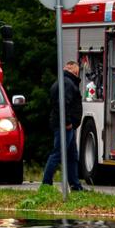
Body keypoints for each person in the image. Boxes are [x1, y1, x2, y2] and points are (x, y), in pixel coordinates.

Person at [40, 60, 84, 191]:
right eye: (76, 72)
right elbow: (63, 104)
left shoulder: (62, 81)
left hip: (65, 125)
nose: (78, 74)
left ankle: (75, 185)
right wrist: (68, 122)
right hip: (65, 126)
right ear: (72, 71)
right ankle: (46, 183)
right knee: (58, 153)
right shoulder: (67, 83)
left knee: (72, 156)